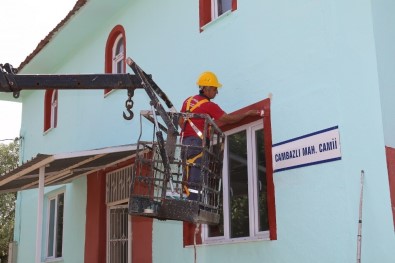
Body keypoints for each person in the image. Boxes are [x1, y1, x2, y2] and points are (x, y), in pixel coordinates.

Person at [180, 71, 261, 200]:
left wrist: (192, 132)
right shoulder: (209, 106)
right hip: (197, 144)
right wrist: (247, 114)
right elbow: (229, 119)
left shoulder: (188, 101)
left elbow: (181, 121)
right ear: (207, 88)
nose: (216, 92)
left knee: (189, 174)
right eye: (215, 89)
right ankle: (193, 205)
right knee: (197, 177)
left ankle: (188, 199)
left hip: (185, 143)